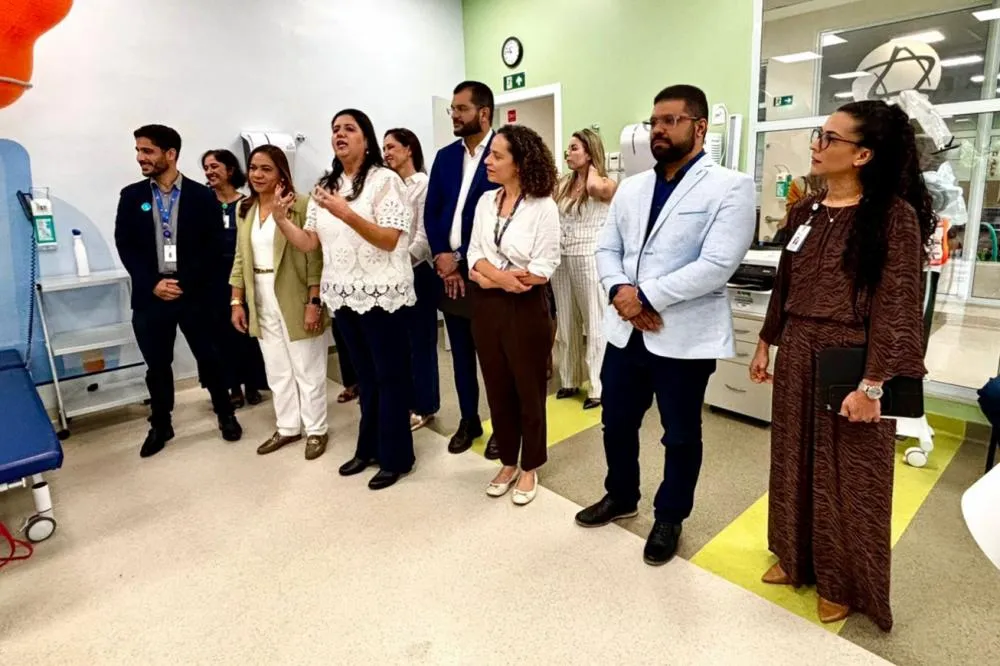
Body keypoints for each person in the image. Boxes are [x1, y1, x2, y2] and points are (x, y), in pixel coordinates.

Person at [749, 101, 933, 630]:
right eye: (818, 134)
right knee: (791, 459)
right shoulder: (806, 210)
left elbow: (897, 305)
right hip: (799, 347)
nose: (816, 144)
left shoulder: (894, 217)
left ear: (863, 154)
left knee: (848, 475)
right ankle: (795, 556)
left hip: (853, 357)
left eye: (828, 137)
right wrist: (767, 341)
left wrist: (873, 384)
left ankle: (843, 582)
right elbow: (785, 284)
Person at [574, 85, 755, 566]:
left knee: (679, 433)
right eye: (654, 120)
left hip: (683, 335)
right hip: (627, 332)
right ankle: (622, 495)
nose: (658, 129)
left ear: (699, 128)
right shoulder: (631, 187)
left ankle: (670, 516)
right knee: (616, 421)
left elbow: (717, 264)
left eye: (671, 120)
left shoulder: (731, 187)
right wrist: (620, 295)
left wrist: (646, 297)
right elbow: (606, 250)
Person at [276, 109, 415, 490]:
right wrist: (280, 219)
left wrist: (346, 212)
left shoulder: (385, 180)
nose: (340, 135)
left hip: (382, 293)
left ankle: (397, 456)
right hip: (344, 296)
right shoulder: (327, 184)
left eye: (349, 129)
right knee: (365, 379)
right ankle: (367, 448)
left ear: (365, 140)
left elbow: (389, 239)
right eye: (335, 129)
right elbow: (309, 242)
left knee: (390, 378)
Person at [114, 125, 243, 457]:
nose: (141, 157)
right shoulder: (132, 197)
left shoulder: (203, 197)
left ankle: (225, 413)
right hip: (150, 295)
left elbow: (213, 248)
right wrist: (153, 283)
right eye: (138, 151)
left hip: (194, 294)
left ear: (170, 154)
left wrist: (182, 282)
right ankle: (161, 424)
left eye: (148, 151)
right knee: (157, 365)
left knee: (209, 356)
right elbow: (125, 246)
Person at [468, 125, 560, 505]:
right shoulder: (485, 203)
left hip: (526, 308)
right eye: (489, 154)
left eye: (497, 156)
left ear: (520, 164)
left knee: (528, 389)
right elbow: (473, 256)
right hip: (487, 307)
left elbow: (541, 269)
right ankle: (507, 460)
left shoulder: (543, 207)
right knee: (497, 387)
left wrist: (492, 277)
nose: (487, 161)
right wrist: (499, 279)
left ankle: (530, 465)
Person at [229, 145, 330, 461]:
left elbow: (314, 256)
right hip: (259, 293)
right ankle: (288, 426)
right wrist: (237, 299)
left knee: (307, 366)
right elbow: (240, 256)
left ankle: (316, 429)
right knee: (276, 368)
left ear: (281, 172)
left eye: (266, 169)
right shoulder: (244, 208)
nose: (257, 175)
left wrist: (314, 300)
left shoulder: (299, 204)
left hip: (293, 291)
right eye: (253, 168)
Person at [424, 81, 500, 459]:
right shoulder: (445, 157)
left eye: (461, 109)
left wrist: (463, 261)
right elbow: (433, 210)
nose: (454, 115)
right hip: (449, 274)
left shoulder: (505, 154)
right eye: (452, 109)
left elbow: (502, 218)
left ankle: (502, 425)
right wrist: (442, 255)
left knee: (494, 356)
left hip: (486, 272)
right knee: (460, 354)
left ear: (483, 113)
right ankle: (469, 419)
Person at [552, 128, 617, 410]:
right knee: (566, 321)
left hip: (589, 258)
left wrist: (589, 168)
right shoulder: (563, 184)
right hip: (562, 258)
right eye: (568, 148)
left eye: (575, 148)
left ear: (590, 151)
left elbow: (593, 189)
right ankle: (569, 378)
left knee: (595, 322)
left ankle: (598, 387)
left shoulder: (605, 182)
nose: (568, 153)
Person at [202, 148, 267, 408]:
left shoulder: (248, 203)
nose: (210, 172)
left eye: (215, 166)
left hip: (243, 275)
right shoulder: (204, 203)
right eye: (206, 167)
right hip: (214, 279)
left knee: (247, 334)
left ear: (230, 170)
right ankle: (232, 387)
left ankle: (252, 384)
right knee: (220, 336)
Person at [384, 128, 439, 432]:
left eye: (392, 147)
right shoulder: (389, 186)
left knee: (421, 343)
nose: (387, 153)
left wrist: (397, 261)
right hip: (391, 275)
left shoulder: (423, 185)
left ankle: (426, 405)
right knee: (400, 343)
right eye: (384, 148)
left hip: (417, 272)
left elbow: (423, 237)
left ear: (409, 149)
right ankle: (406, 399)